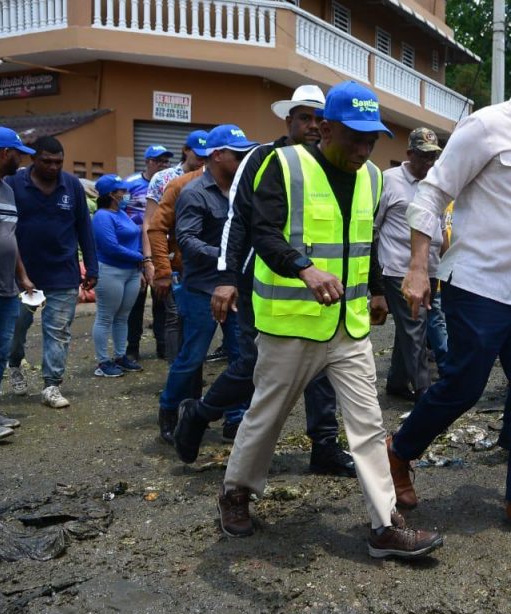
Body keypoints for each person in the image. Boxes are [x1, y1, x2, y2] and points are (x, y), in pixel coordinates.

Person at [216, 80, 441, 560]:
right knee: (266, 417)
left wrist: (376, 289)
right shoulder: (283, 165)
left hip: (349, 327)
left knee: (367, 424)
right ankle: (236, 492)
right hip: (291, 323)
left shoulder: (373, 179)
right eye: (354, 138)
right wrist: (303, 268)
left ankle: (385, 525)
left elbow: (365, 240)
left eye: (370, 141)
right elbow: (262, 232)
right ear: (325, 127)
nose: (362, 150)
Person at [390, 41, 511, 544]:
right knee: (464, 387)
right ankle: (398, 451)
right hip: (479, 286)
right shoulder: (485, 127)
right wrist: (418, 267)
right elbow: (432, 193)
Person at [173, 85, 356, 477]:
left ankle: (324, 446)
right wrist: (226, 278)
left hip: (319, 285)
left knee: (322, 362)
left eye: (318, 119)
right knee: (256, 364)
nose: (312, 125)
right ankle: (200, 413)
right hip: (266, 285)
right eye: (304, 117)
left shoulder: (334, 164)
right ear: (288, 120)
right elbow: (236, 221)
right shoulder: (262, 159)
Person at [157, 125, 255, 444]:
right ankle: (169, 411)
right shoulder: (194, 192)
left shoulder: (244, 191)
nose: (243, 159)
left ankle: (235, 419)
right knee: (192, 357)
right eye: (237, 154)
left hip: (236, 290)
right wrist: (226, 256)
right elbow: (186, 239)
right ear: (216, 155)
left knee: (242, 357)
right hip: (201, 289)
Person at [6, 136, 98, 409]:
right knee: (16, 327)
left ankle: (51, 385)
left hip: (62, 272)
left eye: (59, 162)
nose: (53, 167)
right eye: (47, 161)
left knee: (58, 331)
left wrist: (92, 266)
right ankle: (14, 363)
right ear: (33, 158)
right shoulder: (14, 184)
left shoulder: (72, 185)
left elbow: (84, 228)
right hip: (21, 274)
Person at [376, 127, 447, 401]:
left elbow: (439, 225)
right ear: (409, 154)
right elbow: (375, 227)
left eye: (433, 157)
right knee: (415, 327)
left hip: (431, 268)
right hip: (399, 270)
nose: (430, 162)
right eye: (424, 156)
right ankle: (424, 390)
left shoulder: (435, 183)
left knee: (411, 329)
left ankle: (396, 382)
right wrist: (375, 282)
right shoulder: (389, 180)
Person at [0, 127, 35, 441]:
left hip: (6, 286)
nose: (22, 160)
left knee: (0, 351)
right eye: (19, 154)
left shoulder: (6, 190)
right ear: (5, 153)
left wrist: (22, 275)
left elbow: (9, 238)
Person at [144, 129, 208, 363]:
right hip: (172, 260)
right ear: (185, 150)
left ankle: (189, 366)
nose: (202, 160)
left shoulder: (213, 178)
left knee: (195, 317)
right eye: (198, 154)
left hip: (201, 261)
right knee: (174, 315)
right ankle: (175, 366)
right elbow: (151, 223)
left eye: (206, 155)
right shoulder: (165, 179)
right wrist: (150, 261)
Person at [91, 174, 145, 377]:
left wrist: (139, 262)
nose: (126, 194)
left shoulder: (121, 213)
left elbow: (134, 238)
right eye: (122, 191)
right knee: (105, 317)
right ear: (112, 194)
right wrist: (140, 257)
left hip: (131, 271)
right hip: (110, 270)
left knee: (122, 317)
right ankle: (103, 361)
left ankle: (120, 356)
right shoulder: (102, 216)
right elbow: (110, 247)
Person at [124, 144, 173, 361]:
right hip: (135, 253)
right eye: (158, 160)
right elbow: (118, 214)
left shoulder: (170, 182)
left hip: (162, 250)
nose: (163, 165)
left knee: (162, 301)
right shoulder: (130, 184)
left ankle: (163, 345)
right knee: (136, 303)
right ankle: (132, 348)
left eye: (166, 161)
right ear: (148, 162)